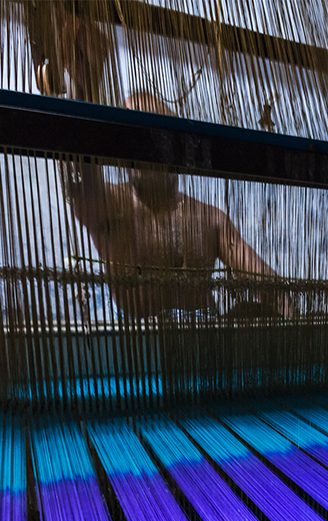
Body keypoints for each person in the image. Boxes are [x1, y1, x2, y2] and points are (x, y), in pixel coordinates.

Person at [27, 11, 286, 319]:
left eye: (154, 139)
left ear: (175, 148)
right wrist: (85, 87)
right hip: (136, 353)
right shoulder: (112, 206)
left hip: (201, 353)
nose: (144, 151)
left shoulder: (210, 220)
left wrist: (286, 310)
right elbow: (77, 180)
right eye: (134, 140)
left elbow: (266, 280)